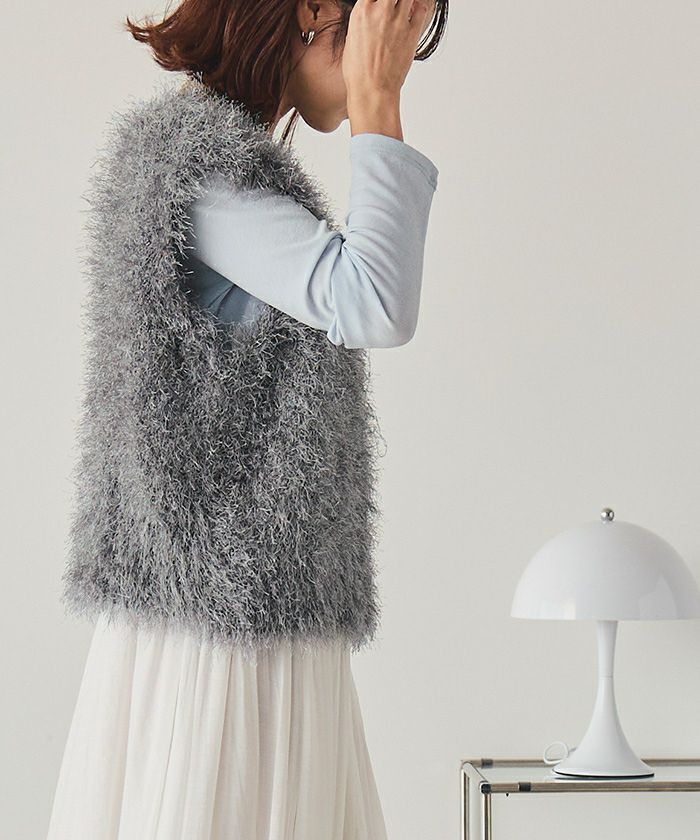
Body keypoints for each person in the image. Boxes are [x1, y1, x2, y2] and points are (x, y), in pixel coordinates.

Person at [47, 1, 448, 838]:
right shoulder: (203, 170)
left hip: (229, 611)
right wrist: (378, 103)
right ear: (315, 11)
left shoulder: (198, 159)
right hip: (231, 631)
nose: (396, 59)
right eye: (386, 30)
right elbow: (373, 304)